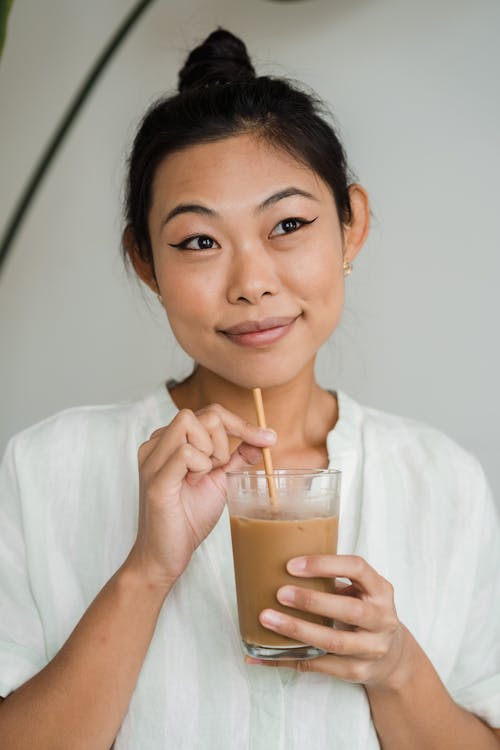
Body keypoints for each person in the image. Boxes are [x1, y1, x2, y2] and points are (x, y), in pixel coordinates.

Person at [0, 27, 499, 750]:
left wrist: (396, 669)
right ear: (144, 260)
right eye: (199, 241)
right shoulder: (45, 467)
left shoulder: (442, 483)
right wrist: (146, 573)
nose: (252, 283)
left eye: (288, 225)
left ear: (351, 225)